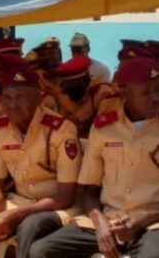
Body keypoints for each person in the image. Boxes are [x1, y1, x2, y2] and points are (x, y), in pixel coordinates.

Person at [0, 60, 81, 258]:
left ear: (38, 97)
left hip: (56, 207)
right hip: (16, 204)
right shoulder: (0, 130)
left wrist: (17, 214)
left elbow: (65, 196)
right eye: (7, 98)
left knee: (30, 226)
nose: (12, 105)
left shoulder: (61, 129)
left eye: (20, 98)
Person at [31, 57, 159, 258]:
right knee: (41, 251)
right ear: (125, 93)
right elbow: (89, 191)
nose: (155, 97)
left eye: (157, 90)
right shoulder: (103, 129)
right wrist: (99, 223)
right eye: (146, 92)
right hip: (109, 220)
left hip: (153, 224)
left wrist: (142, 218)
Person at [54, 55, 114, 138]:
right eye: (69, 89)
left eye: (76, 87)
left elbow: (107, 129)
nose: (72, 92)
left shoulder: (102, 94)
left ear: (86, 81)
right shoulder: (63, 96)